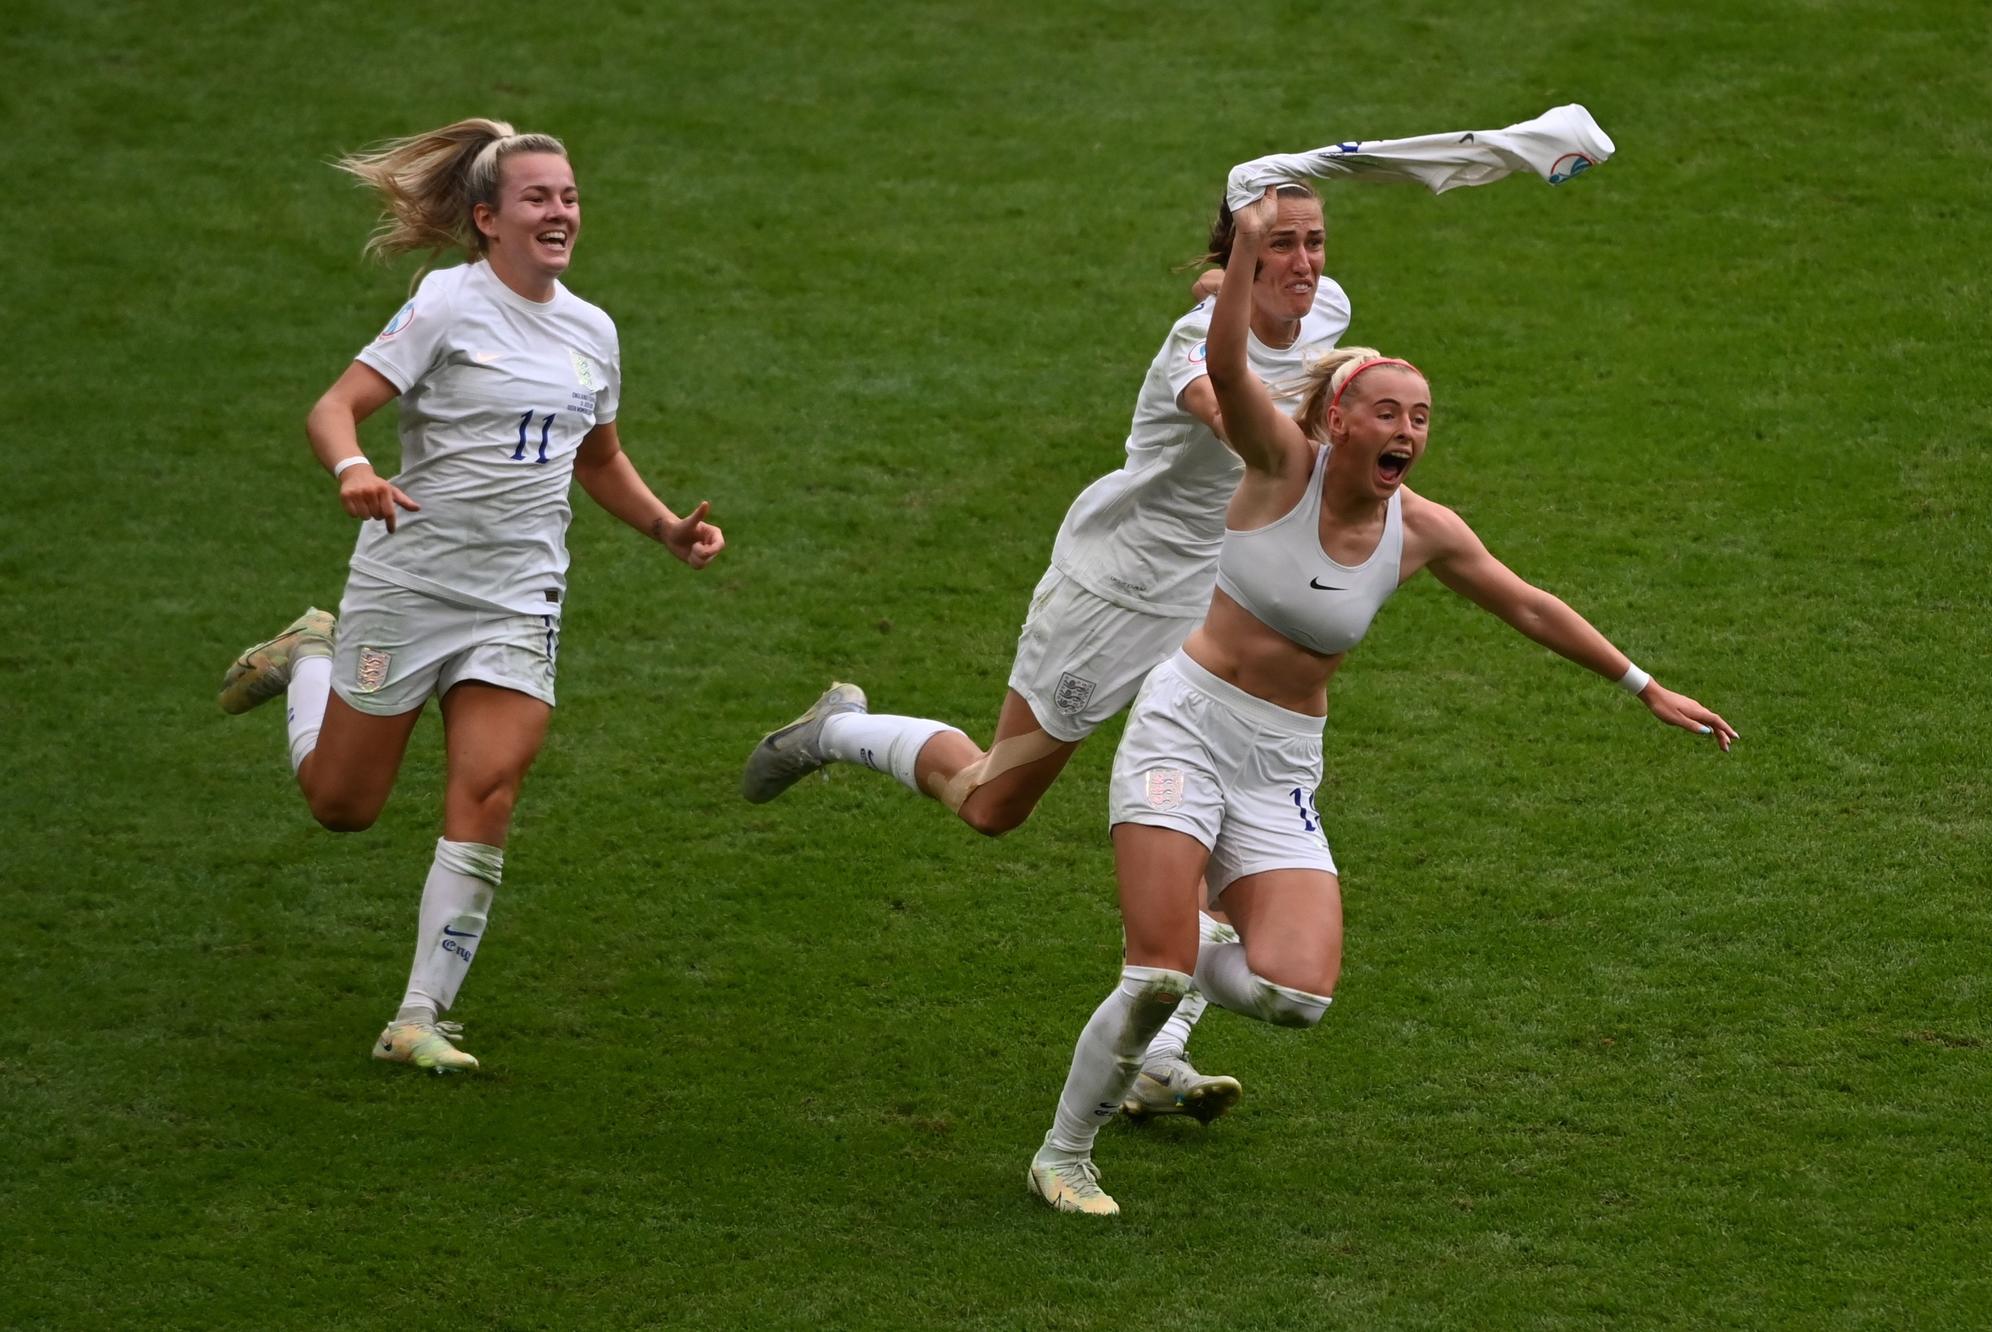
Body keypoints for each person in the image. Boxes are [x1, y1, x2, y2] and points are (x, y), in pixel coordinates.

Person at [1025, 188, 1736, 1216]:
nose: (1408, 429)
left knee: (1295, 997)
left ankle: (1192, 960)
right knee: (1154, 974)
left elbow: (1527, 606)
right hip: (1183, 725)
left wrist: (1643, 685)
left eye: (1421, 416)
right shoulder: (1279, 469)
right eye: (1389, 411)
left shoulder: (1420, 528)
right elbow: (1226, 371)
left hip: (1279, 761)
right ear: (1336, 419)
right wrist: (1237, 275)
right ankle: (1063, 1153)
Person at [741, 184, 1350, 1124]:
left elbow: (1264, 312)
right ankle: (838, 730)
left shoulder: (1326, 308)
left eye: (1316, 243)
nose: (1308, 266)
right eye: (1284, 247)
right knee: (994, 802)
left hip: (1218, 607)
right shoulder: (1193, 351)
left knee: (1222, 826)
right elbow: (1239, 418)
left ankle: (1158, 1057)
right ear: (1243, 262)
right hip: (1117, 592)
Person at [217, 118, 724, 1073]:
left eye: (569, 196)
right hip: (411, 584)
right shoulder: (447, 304)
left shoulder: (593, 329)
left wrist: (666, 528)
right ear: (488, 219)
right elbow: (334, 407)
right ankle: (311, 658)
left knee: (488, 786)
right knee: (342, 806)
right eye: (539, 198)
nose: (560, 212)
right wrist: (355, 473)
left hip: (518, 598)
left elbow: (597, 456)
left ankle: (419, 1016)